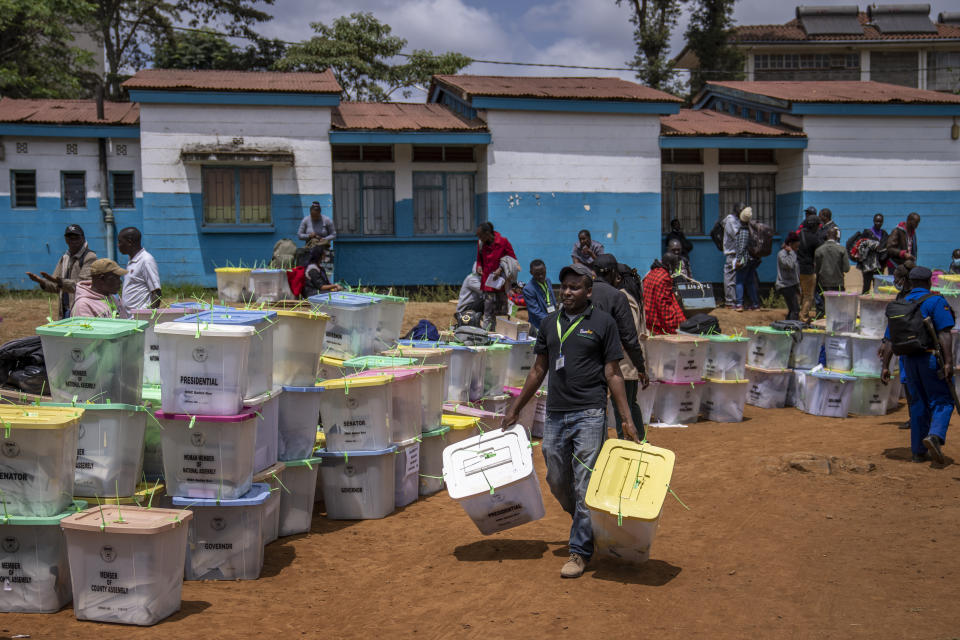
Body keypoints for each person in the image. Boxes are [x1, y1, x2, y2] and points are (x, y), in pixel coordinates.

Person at [501, 265, 638, 579]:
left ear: (588, 292)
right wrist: (517, 408)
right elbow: (538, 370)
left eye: (575, 288)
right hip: (555, 413)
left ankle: (579, 552)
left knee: (584, 482)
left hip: (590, 413)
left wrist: (625, 419)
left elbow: (613, 374)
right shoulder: (550, 323)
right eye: (564, 287)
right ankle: (589, 524)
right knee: (557, 479)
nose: (567, 292)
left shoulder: (603, 324)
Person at [880, 266, 955, 465]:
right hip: (931, 359)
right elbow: (945, 334)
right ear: (929, 282)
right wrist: (948, 362)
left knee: (918, 403)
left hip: (908, 362)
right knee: (943, 400)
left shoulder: (901, 304)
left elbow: (889, 341)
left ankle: (918, 452)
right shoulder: (935, 301)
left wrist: (885, 367)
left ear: (911, 283)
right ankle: (935, 436)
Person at [593, 254, 649, 441]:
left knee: (622, 405)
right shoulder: (623, 296)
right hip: (624, 360)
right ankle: (635, 441)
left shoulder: (591, 293)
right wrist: (641, 366)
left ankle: (632, 442)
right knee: (625, 404)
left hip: (621, 361)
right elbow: (629, 336)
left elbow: (628, 335)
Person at [569, 260, 647, 380]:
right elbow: (628, 337)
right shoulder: (618, 296)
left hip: (594, 363)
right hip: (619, 365)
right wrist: (640, 367)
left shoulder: (586, 294)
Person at [26, 224, 98, 319]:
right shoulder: (65, 258)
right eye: (69, 237)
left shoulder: (89, 257)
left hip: (81, 310)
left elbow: (83, 286)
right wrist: (42, 282)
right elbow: (56, 287)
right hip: (65, 310)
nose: (73, 240)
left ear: (83, 238)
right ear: (65, 240)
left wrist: (59, 282)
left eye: (76, 237)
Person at [475, 222, 517, 330]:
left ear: (488, 233)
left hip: (501, 285)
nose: (479, 238)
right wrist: (479, 267)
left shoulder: (503, 242)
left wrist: (501, 268)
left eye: (480, 235)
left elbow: (512, 259)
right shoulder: (481, 244)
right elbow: (479, 260)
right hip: (488, 284)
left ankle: (502, 331)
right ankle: (486, 333)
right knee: (488, 311)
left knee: (502, 311)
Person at [117, 227, 161, 310]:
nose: (118, 245)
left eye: (120, 242)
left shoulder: (146, 260)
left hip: (140, 318)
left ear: (129, 242)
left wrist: (149, 317)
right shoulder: (132, 261)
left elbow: (156, 292)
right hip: (129, 317)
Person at [642, 252, 686, 335]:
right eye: (674, 265)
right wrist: (673, 327)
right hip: (659, 326)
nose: (675, 269)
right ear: (669, 265)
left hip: (648, 322)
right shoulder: (663, 277)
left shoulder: (651, 273)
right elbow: (664, 306)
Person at [797, 214, 822, 323]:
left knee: (799, 293)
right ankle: (803, 318)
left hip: (796, 269)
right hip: (808, 270)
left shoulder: (798, 235)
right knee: (808, 296)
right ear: (814, 226)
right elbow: (821, 251)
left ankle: (795, 314)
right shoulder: (814, 238)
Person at [733, 207, 759, 311]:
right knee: (750, 282)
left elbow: (742, 247)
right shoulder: (752, 229)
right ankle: (755, 304)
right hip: (753, 259)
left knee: (739, 281)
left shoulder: (743, 230)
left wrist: (739, 260)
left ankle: (739, 304)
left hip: (745, 259)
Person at [814, 227, 850, 304]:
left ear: (827, 235)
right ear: (837, 236)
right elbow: (846, 269)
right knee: (837, 306)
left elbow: (816, 269)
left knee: (825, 305)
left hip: (823, 283)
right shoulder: (842, 250)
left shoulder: (819, 250)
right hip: (838, 283)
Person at [857, 214, 889, 294]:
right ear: (873, 221)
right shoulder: (867, 233)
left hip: (880, 265)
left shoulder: (884, 234)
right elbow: (861, 247)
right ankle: (864, 304)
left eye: (880, 221)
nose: (878, 223)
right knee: (866, 286)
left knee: (878, 286)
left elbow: (886, 247)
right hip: (868, 265)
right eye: (876, 221)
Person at [521, 259, 555, 334]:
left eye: (543, 273)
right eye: (537, 274)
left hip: (552, 320)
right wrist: (551, 321)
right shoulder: (528, 289)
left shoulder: (548, 281)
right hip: (539, 326)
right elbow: (535, 312)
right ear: (531, 273)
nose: (541, 276)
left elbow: (551, 299)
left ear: (545, 269)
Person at [721, 203, 744, 308]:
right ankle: (730, 301)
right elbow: (737, 236)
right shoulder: (731, 220)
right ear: (737, 210)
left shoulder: (737, 220)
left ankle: (735, 301)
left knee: (736, 278)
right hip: (732, 254)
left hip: (737, 253)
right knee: (730, 278)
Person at [777, 231, 801, 321]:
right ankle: (791, 329)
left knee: (793, 309)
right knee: (795, 309)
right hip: (785, 285)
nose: (797, 249)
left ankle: (787, 326)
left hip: (792, 284)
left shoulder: (793, 254)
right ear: (790, 244)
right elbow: (790, 265)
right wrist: (791, 252)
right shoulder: (782, 254)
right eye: (796, 246)